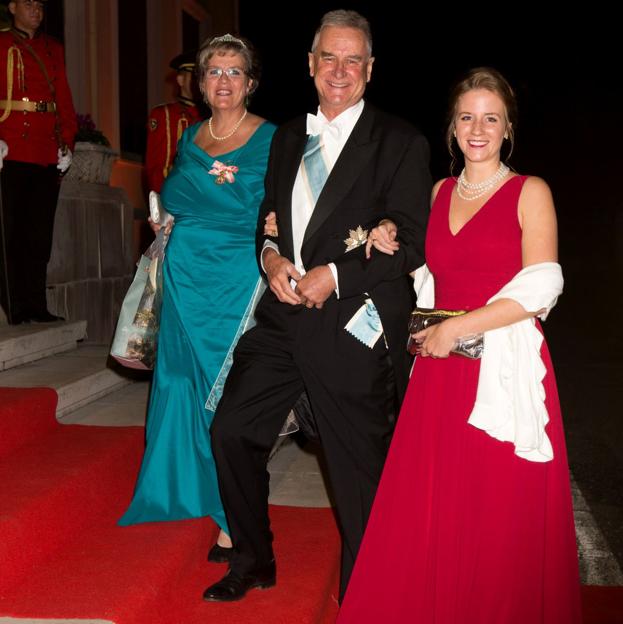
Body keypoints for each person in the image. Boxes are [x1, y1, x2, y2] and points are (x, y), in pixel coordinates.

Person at [337, 67, 582, 623]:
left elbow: (542, 284)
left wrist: (460, 327)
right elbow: (432, 272)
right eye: (467, 117)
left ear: (508, 129)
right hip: (441, 371)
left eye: (490, 118)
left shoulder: (529, 191)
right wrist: (392, 237)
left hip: (501, 364)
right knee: (440, 508)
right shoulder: (439, 191)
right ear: (451, 127)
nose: (478, 129)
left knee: (496, 509)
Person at [203, 10, 431, 603]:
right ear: (310, 64)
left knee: (358, 474)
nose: (339, 70)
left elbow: (409, 241)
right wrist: (272, 260)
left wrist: (335, 275)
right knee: (231, 431)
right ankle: (253, 559)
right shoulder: (285, 136)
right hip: (283, 320)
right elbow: (269, 220)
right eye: (328, 57)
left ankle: (368, 591)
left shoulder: (401, 141)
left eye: (352, 59)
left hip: (353, 325)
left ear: (370, 69)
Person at [118, 34, 276, 564]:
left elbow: (286, 211)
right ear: (199, 81)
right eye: (214, 72)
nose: (224, 81)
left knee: (225, 394)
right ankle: (186, 490)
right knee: (182, 385)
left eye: (235, 72)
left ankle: (236, 516)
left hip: (235, 281)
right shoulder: (189, 136)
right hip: (183, 278)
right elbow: (174, 197)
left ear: (250, 82)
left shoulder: (274, 139)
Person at [0, 0, 76, 324]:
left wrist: (67, 143)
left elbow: (64, 99)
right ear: (12, 6)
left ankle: (36, 303)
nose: (36, 9)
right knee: (10, 233)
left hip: (45, 151)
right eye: (28, 2)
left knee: (38, 234)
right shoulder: (2, 43)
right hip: (10, 150)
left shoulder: (53, 49)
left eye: (40, 4)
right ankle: (13, 305)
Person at [144, 50, 201, 193]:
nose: (198, 81)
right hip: (176, 199)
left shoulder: (211, 117)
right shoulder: (165, 114)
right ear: (181, 80)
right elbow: (156, 167)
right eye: (194, 76)